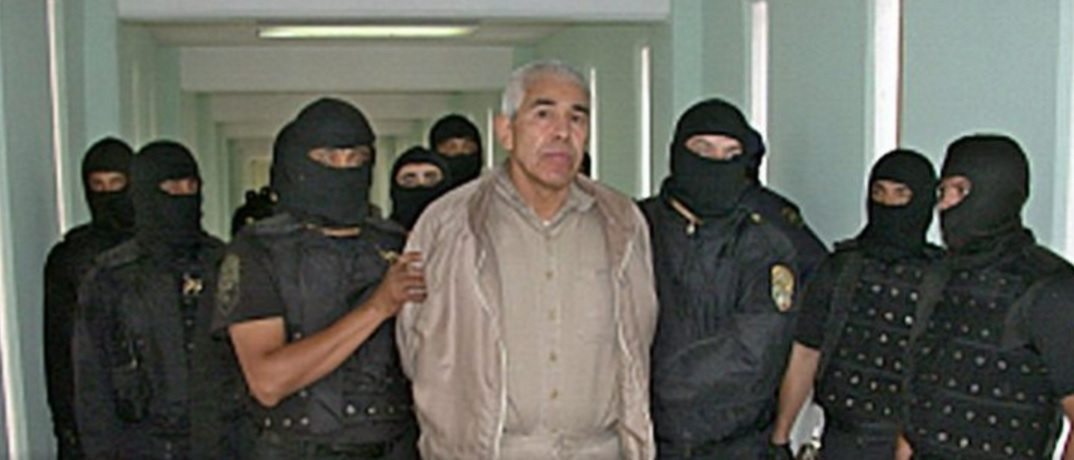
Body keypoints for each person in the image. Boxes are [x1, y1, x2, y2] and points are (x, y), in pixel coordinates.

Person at [396, 59, 659, 459]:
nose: (562, 133)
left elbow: (640, 335)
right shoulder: (449, 223)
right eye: (543, 114)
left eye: (577, 118)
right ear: (506, 130)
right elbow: (415, 345)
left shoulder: (621, 221)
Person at [214, 98, 424, 459]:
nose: (344, 169)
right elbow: (267, 381)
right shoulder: (257, 251)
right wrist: (377, 306)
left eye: (356, 158)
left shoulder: (395, 243)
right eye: (329, 158)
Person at [639, 98, 827, 459]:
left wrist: (651, 380)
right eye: (703, 150)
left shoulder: (766, 246)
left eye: (730, 154)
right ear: (678, 153)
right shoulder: (632, 230)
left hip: (734, 444)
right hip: (640, 441)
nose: (716, 163)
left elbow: (753, 352)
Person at [899, 135, 1074, 459]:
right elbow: (919, 397)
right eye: (942, 192)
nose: (945, 205)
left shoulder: (1050, 288)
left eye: (960, 190)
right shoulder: (941, 274)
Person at [73, 140, 242, 458]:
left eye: (190, 187)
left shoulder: (225, 264)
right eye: (170, 189)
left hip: (222, 442)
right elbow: (92, 386)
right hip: (143, 443)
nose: (182, 197)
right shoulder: (111, 278)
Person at [769, 149, 941, 459]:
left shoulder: (941, 278)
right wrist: (781, 436)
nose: (888, 204)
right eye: (879, 193)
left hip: (909, 441)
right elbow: (806, 351)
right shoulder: (841, 268)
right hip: (840, 436)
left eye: (901, 194)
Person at [44, 137, 135, 459]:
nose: (107, 194)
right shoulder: (70, 257)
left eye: (116, 183)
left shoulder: (154, 249)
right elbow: (58, 346)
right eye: (98, 185)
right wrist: (66, 424)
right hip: (92, 407)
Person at [388, 146, 450, 231]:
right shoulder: (379, 235)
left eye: (431, 179)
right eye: (409, 181)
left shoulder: (464, 232)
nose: (421, 184)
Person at [428, 113, 483, 189]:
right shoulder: (425, 193)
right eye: (451, 148)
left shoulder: (492, 191)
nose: (460, 152)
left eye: (468, 147)